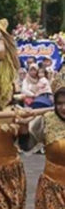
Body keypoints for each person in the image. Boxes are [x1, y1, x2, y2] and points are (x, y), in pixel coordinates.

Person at [19, 71, 65, 208]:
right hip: (51, 189)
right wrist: (24, 126)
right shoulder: (46, 120)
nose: (64, 108)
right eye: (60, 103)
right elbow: (26, 145)